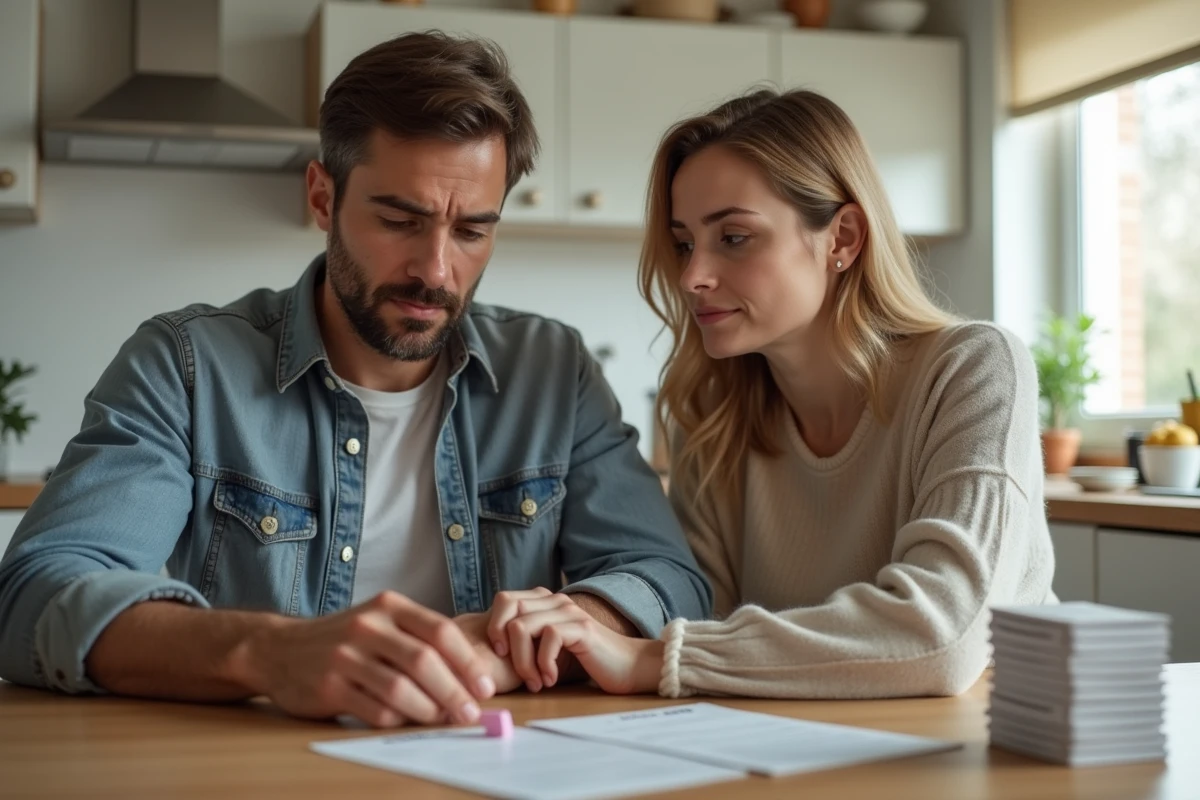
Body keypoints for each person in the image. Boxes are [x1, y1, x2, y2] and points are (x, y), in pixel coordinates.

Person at [0, 32, 710, 727]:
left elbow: (667, 577)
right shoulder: (186, 367)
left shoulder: (555, 373)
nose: (436, 271)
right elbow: (34, 597)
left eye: (471, 231)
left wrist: (571, 619)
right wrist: (270, 652)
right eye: (400, 219)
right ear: (322, 198)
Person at [491, 89, 1055, 700]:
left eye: (733, 237)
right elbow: (702, 616)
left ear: (842, 238)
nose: (691, 276)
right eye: (684, 243)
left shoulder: (973, 368)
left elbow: (944, 635)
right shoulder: (711, 414)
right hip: (798, 744)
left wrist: (650, 660)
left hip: (992, 753)